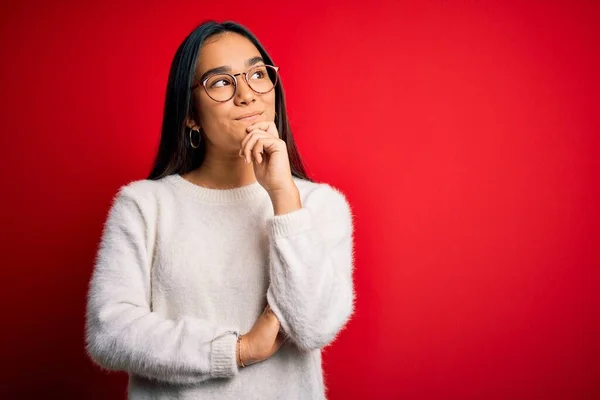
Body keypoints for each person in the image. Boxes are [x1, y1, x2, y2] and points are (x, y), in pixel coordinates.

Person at [84, 20, 355, 400]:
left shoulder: (319, 206)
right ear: (190, 114)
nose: (248, 94)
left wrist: (282, 195)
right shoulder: (144, 206)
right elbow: (108, 332)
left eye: (258, 74)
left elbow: (314, 326)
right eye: (222, 82)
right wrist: (236, 349)